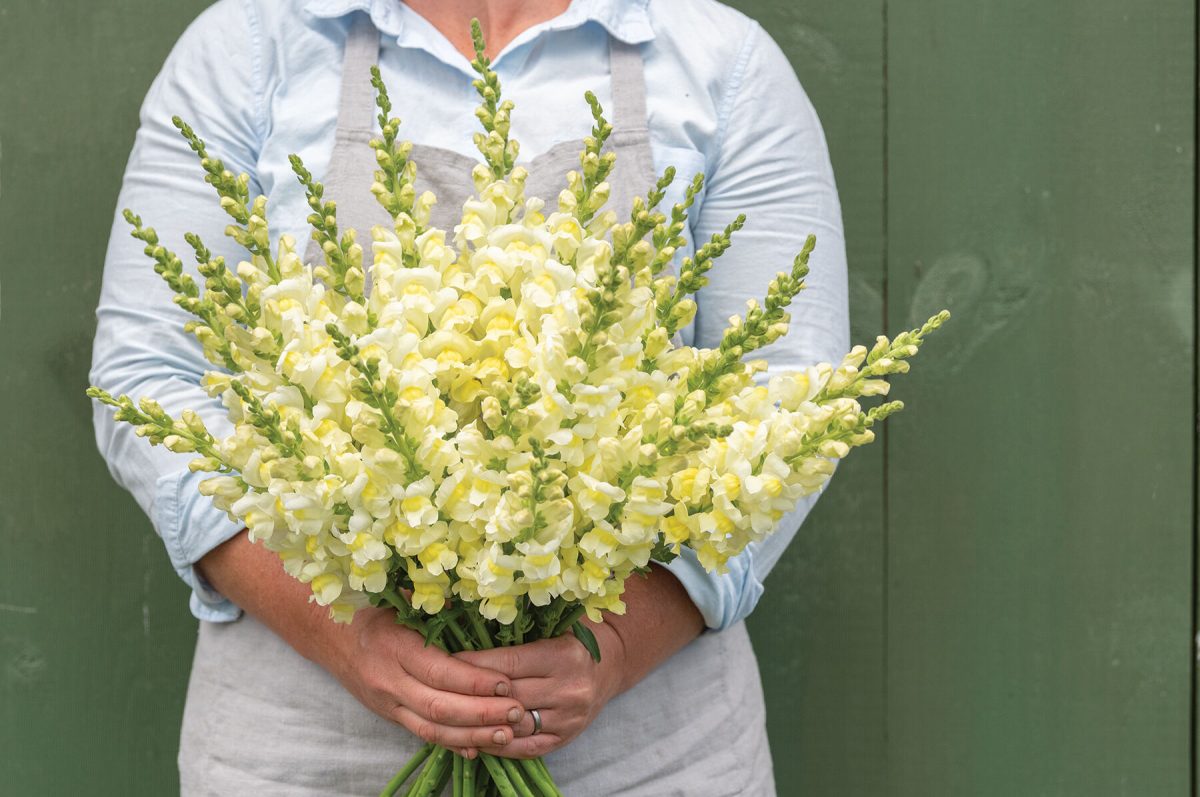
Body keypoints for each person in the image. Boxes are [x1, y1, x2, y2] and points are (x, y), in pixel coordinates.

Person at [90, 1, 849, 794]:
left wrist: (614, 648)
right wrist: (345, 634)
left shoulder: (717, 61)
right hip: (304, 754)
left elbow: (787, 395)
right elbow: (148, 379)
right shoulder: (251, 46)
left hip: (648, 760)